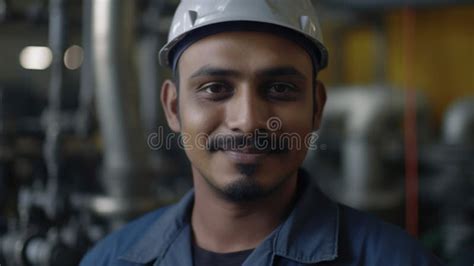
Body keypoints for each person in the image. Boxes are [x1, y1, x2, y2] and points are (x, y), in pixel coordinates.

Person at [80, 0, 443, 265]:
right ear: (173, 108)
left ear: (317, 108)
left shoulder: (395, 260)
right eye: (215, 88)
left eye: (280, 89)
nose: (249, 120)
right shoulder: (110, 260)